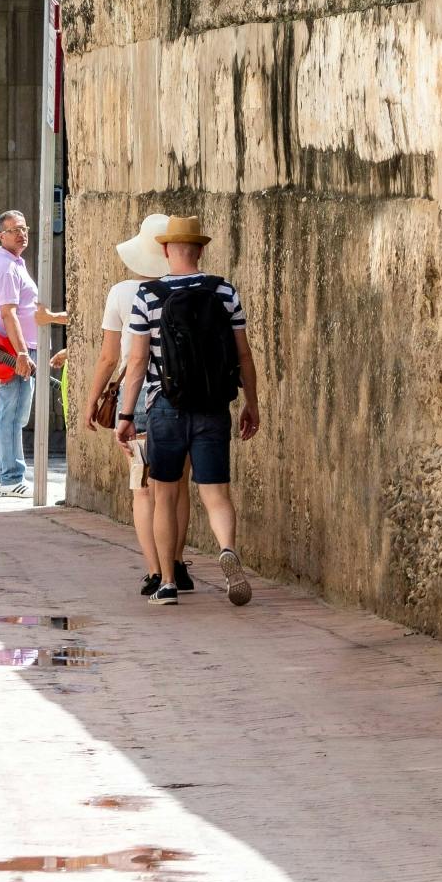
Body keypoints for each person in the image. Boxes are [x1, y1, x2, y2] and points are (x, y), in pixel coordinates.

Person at [116, 215, 260, 607]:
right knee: (216, 494)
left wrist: (126, 416)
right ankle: (226, 548)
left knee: (164, 494)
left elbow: (137, 362)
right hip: (213, 406)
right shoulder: (224, 291)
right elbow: (244, 355)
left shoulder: (148, 296)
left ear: (166, 250)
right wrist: (251, 403)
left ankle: (166, 582)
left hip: (165, 406)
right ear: (200, 250)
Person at [84, 212, 191, 598]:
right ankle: (177, 565)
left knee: (143, 488)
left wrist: (92, 400)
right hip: (183, 395)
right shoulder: (191, 289)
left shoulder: (121, 293)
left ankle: (154, 571)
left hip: (139, 397)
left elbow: (109, 357)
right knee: (178, 487)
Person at [0, 209, 66, 493]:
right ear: (1, 235)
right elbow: (9, 313)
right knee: (12, 413)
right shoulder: (6, 267)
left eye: (24, 228)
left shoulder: (14, 263)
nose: (22, 234)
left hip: (24, 349)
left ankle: (8, 476)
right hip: (16, 351)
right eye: (14, 230)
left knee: (15, 414)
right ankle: (10, 478)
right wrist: (21, 353)